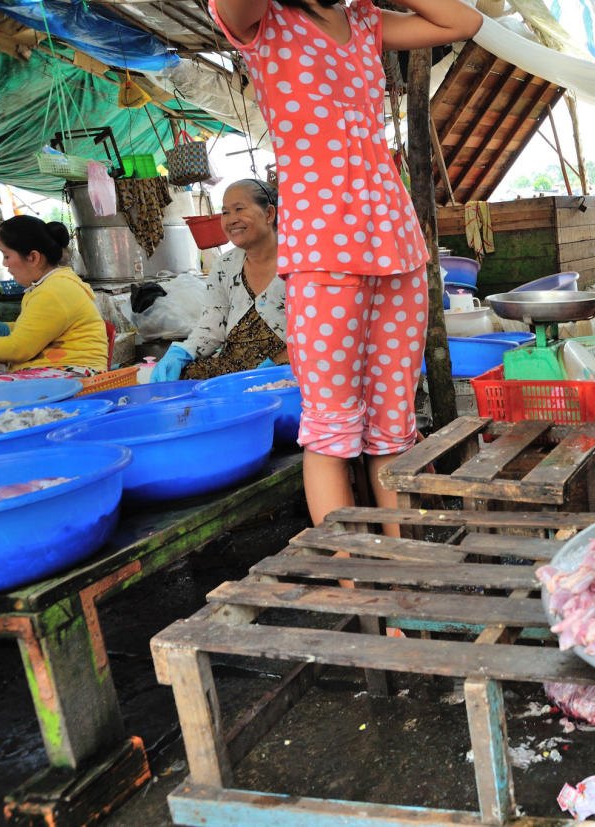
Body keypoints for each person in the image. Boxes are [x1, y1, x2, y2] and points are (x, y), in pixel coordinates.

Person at [209, 0, 481, 529]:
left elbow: (464, 21)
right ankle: (355, 584)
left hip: (395, 244)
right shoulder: (265, 20)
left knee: (393, 425)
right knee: (331, 429)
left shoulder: (364, 20)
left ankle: (399, 588)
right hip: (324, 248)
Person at [152, 179, 288, 382]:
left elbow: (317, 333)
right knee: (181, 380)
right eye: (225, 212)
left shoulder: (299, 262)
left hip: (286, 366)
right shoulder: (225, 265)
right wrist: (185, 352)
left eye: (239, 209)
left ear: (269, 213)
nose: (231, 219)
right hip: (232, 369)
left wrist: (281, 362)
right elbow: (212, 324)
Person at [0, 217, 108, 381]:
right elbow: (35, 328)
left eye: (7, 256)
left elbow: (20, 347)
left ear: (33, 257)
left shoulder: (54, 291)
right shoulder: (50, 284)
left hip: (75, 374)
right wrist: (4, 328)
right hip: (57, 368)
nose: (4, 263)